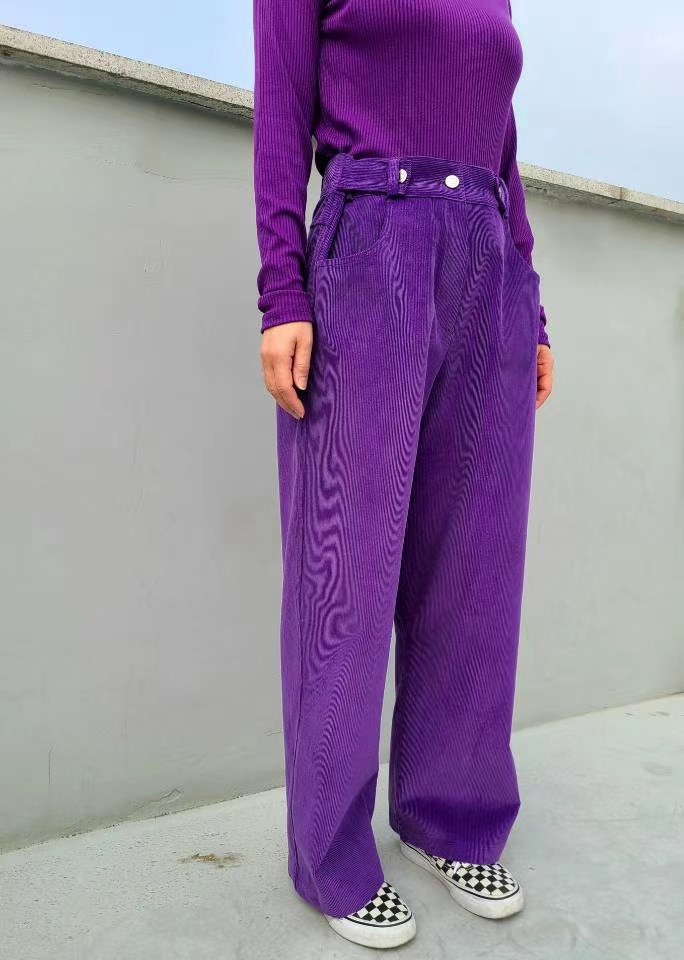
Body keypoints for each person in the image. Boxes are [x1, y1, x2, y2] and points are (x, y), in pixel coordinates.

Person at [252, 0, 555, 948]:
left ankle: (448, 817)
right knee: (343, 572)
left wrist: (532, 303)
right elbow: (279, 114)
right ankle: (331, 858)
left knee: (474, 573)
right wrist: (282, 290)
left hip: (487, 264)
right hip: (368, 246)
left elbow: (501, 143)